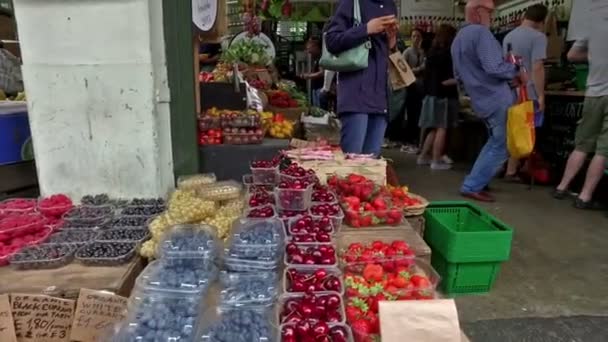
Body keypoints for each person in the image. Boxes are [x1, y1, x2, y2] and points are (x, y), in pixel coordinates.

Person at [451, 0, 527, 202]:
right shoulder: (481, 33)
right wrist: (516, 71)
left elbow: (458, 76)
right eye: (490, 13)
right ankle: (473, 184)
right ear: (478, 12)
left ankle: (478, 181)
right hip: (496, 98)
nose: (491, 17)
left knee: (493, 141)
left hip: (480, 100)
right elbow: (493, 67)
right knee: (501, 144)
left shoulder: (458, 38)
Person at [552, 2, 608, 209]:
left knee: (582, 144)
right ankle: (584, 196)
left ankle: (562, 186)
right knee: (603, 150)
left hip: (593, 93)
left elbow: (572, 56)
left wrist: (593, 57)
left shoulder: (593, 27)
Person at [324, 0, 398, 156]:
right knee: (352, 163)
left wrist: (391, 42)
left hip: (381, 98)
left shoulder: (390, 5)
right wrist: (365, 29)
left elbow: (385, 51)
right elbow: (331, 41)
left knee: (371, 167)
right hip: (356, 95)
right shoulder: (351, 3)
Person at [502, 4, 548, 180]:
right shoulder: (538, 37)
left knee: (511, 129)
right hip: (528, 92)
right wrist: (541, 95)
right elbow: (537, 67)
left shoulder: (508, 37)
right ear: (542, 21)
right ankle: (512, 170)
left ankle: (503, 166)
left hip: (509, 90)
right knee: (525, 130)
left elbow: (505, 64)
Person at [417, 24, 458, 170]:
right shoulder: (448, 54)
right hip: (443, 95)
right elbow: (448, 79)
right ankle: (436, 160)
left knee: (433, 128)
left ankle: (423, 156)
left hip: (430, 95)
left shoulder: (431, 52)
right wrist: (459, 79)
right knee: (442, 128)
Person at [401, 28, 426, 153]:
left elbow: (426, 67)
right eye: (414, 36)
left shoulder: (423, 52)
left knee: (418, 113)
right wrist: (417, 70)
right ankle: (408, 138)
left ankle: (416, 138)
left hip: (421, 87)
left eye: (418, 36)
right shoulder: (407, 52)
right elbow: (403, 69)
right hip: (410, 86)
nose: (416, 39)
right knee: (410, 112)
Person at [301, 37, 325, 108]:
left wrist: (309, 76)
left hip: (320, 88)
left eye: (309, 49)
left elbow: (322, 73)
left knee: (320, 109)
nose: (308, 51)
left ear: (315, 47)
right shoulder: (316, 58)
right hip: (316, 88)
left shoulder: (321, 58)